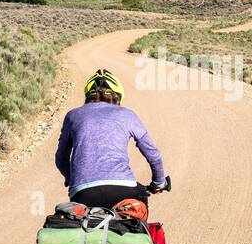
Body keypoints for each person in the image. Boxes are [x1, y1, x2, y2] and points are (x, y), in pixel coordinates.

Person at [54, 68, 167, 209]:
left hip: (82, 193)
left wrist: (72, 178)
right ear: (118, 95)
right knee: (137, 218)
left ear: (88, 95)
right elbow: (153, 154)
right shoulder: (127, 114)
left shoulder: (73, 115)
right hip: (123, 189)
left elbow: (61, 158)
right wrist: (158, 183)